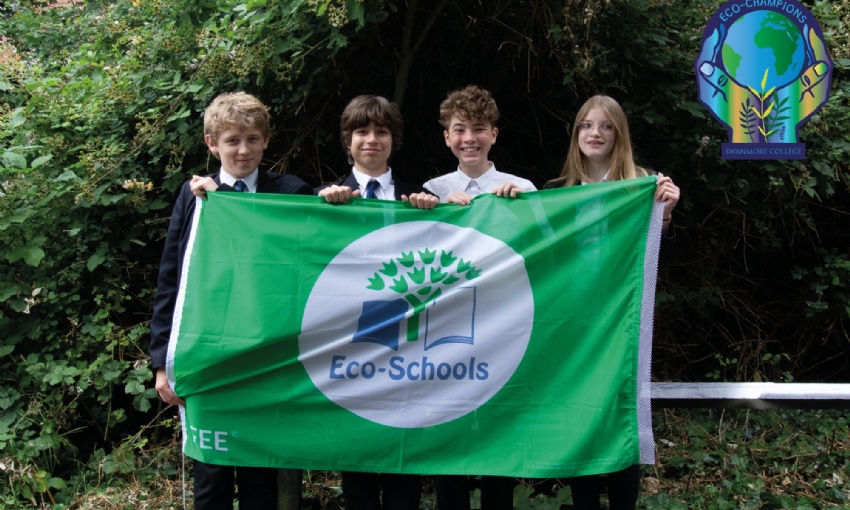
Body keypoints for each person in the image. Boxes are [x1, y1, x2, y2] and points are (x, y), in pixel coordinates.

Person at [149, 91, 312, 510]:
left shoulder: (290, 192)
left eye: (253, 139)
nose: (244, 149)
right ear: (211, 143)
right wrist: (161, 365)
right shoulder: (195, 197)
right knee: (211, 480)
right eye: (233, 140)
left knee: (259, 479)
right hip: (206, 355)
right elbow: (172, 280)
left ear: (266, 141)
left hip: (264, 355)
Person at [543, 94, 679, 510]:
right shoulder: (554, 192)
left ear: (619, 133)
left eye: (605, 126)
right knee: (579, 418)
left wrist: (666, 212)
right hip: (573, 325)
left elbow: (651, 250)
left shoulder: (644, 186)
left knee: (621, 415)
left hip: (621, 323)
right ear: (576, 134)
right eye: (586, 125)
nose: (595, 133)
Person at [315, 94, 437, 510]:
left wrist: (436, 213)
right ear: (347, 141)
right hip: (353, 344)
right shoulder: (322, 199)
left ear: (394, 139)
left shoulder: (418, 197)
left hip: (409, 349)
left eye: (381, 131)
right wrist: (325, 211)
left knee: (405, 468)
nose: (371, 140)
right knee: (359, 466)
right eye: (362, 132)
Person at [424, 84, 536, 206]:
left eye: (478, 129)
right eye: (459, 130)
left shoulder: (524, 189)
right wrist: (444, 211)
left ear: (493, 135)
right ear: (447, 138)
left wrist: (525, 207)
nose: (469, 139)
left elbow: (541, 224)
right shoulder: (432, 191)